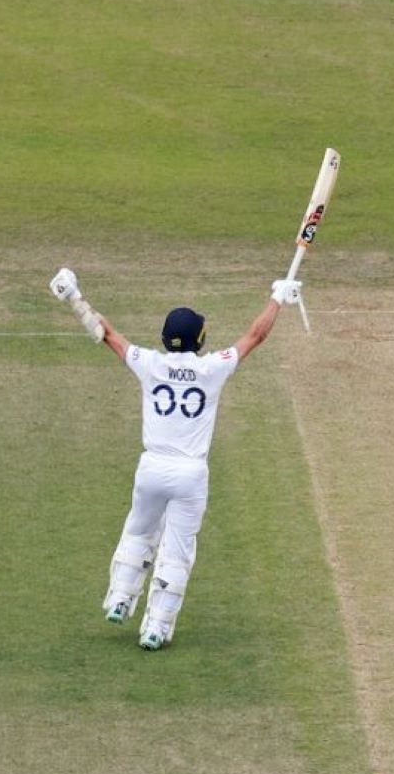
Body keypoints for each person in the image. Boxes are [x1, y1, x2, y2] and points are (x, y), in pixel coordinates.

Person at [47, 268, 302, 649]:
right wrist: (277, 299)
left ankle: (119, 598)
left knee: (138, 533)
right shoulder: (211, 368)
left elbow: (107, 335)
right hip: (190, 474)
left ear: (165, 338)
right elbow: (255, 336)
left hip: (152, 467)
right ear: (200, 339)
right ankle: (156, 627)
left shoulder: (149, 364)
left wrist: (74, 298)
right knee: (177, 551)